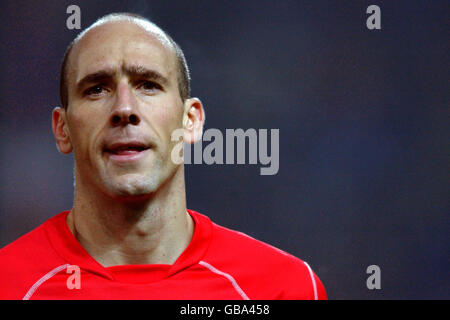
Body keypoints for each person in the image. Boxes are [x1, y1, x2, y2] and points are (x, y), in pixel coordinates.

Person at [0, 12, 326, 300]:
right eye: (97, 88)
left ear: (191, 121)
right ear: (63, 129)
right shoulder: (8, 284)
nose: (124, 109)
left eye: (148, 85)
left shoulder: (281, 289)